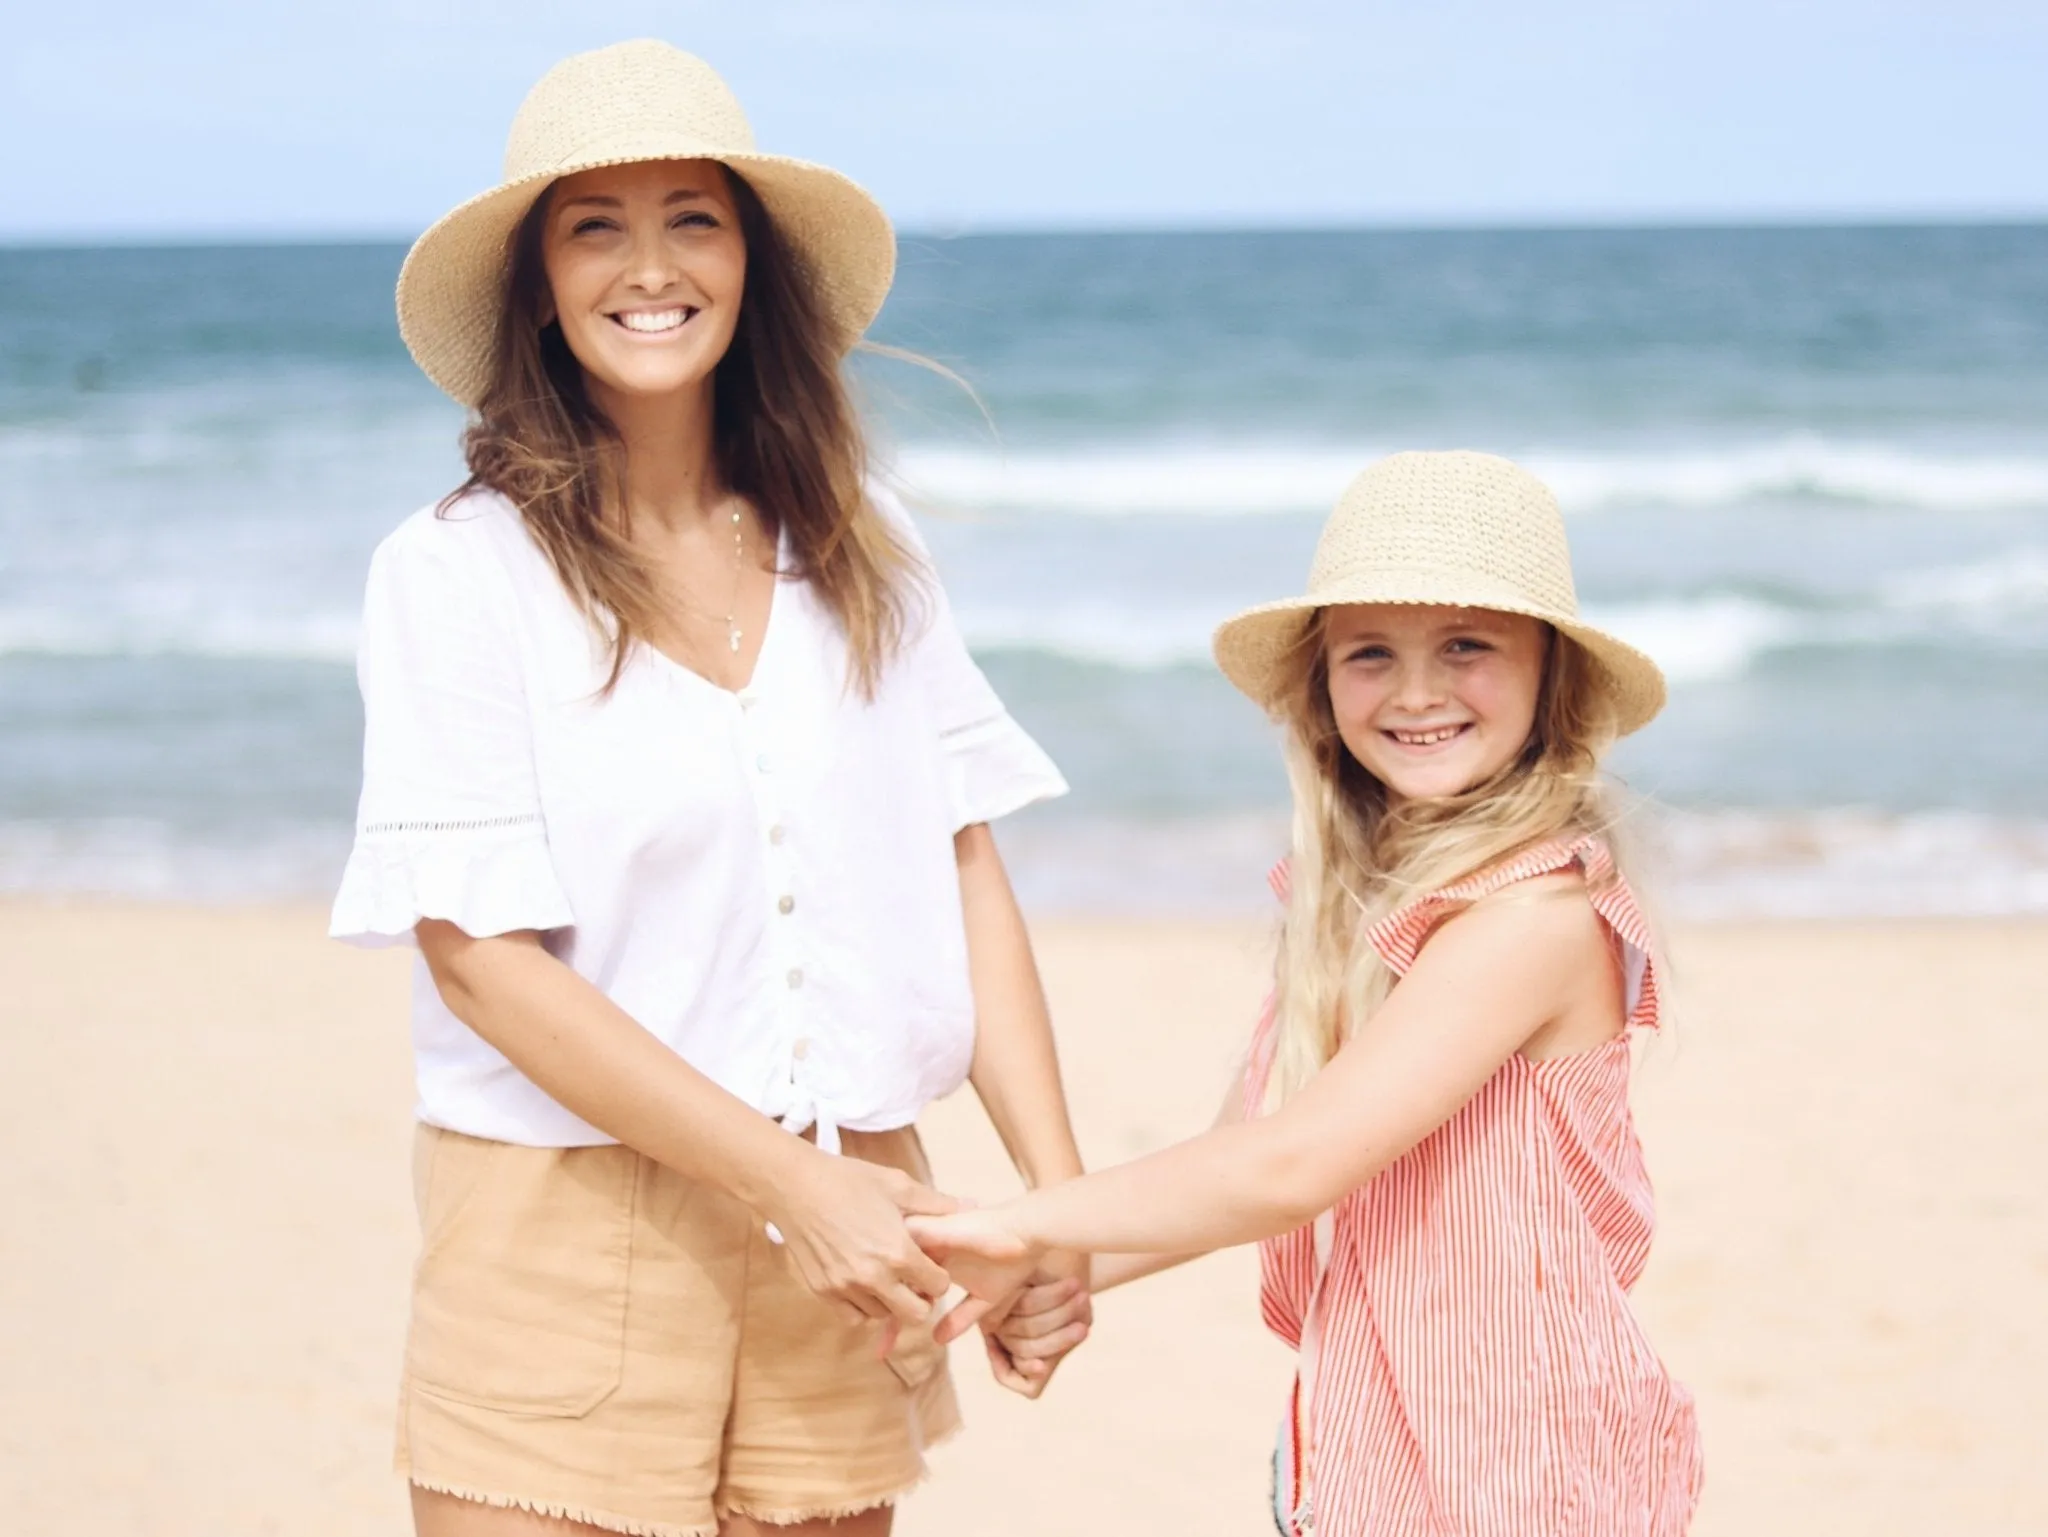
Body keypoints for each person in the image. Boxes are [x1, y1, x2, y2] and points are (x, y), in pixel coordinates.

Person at [329, 40, 1089, 1537]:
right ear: (538, 284)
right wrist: (793, 1190)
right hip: (568, 1217)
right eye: (593, 225)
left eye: (694, 216)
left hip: (862, 1204)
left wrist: (1057, 1212)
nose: (649, 265)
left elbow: (961, 868)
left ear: (752, 262)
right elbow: (477, 961)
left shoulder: (862, 541)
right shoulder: (454, 572)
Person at [922, 451, 1705, 1535]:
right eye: (1368, 653)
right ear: (1322, 686)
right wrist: (1055, 1275)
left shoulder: (1533, 918)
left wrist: (1007, 1225)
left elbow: (1290, 1168)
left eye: (1466, 647)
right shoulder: (1355, 916)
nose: (1416, 691)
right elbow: (1236, 1150)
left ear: (1550, 677)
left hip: (1523, 1465)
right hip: (1363, 1446)